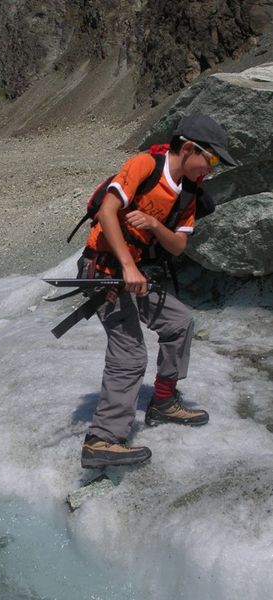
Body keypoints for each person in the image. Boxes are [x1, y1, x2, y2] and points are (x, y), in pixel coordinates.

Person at [79, 113, 237, 469]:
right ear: (190, 148)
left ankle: (163, 401)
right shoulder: (145, 165)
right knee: (130, 353)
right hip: (104, 271)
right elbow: (107, 212)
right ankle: (102, 439)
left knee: (179, 322)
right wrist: (127, 265)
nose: (210, 169)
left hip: (134, 274)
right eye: (211, 160)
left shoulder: (188, 193)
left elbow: (178, 245)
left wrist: (153, 224)